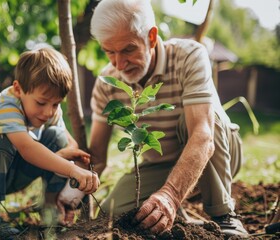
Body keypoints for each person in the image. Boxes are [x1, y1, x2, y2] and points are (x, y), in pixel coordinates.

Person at [88, 0, 248, 237]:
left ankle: (224, 216)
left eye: (128, 49)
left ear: (151, 37)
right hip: (162, 164)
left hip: (216, 154)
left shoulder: (188, 56)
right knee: (111, 214)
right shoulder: (107, 83)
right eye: (109, 51)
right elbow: (97, 159)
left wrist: (170, 195)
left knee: (203, 119)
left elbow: (204, 135)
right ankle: (183, 223)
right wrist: (72, 188)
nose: (119, 63)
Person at [0, 46, 100, 238]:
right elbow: (27, 148)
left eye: (56, 104)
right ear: (18, 89)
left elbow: (69, 144)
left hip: (13, 170)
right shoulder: (6, 106)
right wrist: (71, 169)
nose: (49, 112)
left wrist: (67, 158)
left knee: (56, 136)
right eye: (41, 103)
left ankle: (50, 210)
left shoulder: (48, 108)